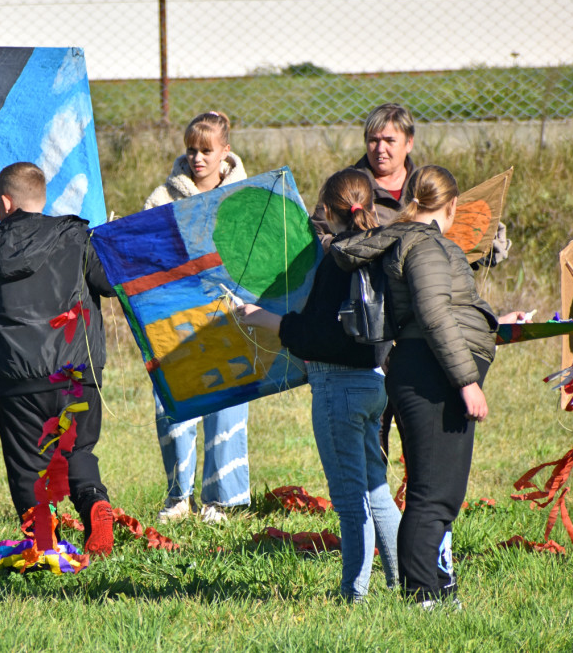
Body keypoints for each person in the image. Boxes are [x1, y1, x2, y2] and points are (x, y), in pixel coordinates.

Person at [330, 165, 526, 606]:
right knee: (434, 495)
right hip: (434, 374)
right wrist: (467, 382)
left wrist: (495, 322)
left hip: (428, 369)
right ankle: (422, 597)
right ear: (452, 205)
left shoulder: (412, 239)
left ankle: (440, 589)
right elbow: (435, 316)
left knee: (439, 492)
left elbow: (446, 313)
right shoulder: (427, 244)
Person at [234, 168, 400, 601]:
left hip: (338, 389)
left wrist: (263, 319)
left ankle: (354, 594)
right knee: (376, 491)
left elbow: (319, 336)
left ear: (326, 211)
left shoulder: (336, 262)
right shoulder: (377, 252)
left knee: (350, 500)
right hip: (373, 384)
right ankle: (405, 582)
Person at [0, 162, 116, 556]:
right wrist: (110, 241)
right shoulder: (77, 237)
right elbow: (109, 281)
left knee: (27, 465)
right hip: (77, 371)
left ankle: (43, 539)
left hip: (18, 378)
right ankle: (95, 506)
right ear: (42, 199)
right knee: (78, 452)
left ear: (5, 202)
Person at [144, 111, 251, 523]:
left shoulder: (248, 195)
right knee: (173, 403)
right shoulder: (162, 198)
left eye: (207, 150)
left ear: (226, 150)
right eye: (191, 150)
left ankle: (221, 499)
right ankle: (177, 497)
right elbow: (148, 254)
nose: (198, 158)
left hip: (230, 317)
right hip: (176, 318)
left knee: (226, 402)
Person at [310, 103, 417, 251]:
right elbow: (314, 237)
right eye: (374, 140)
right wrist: (351, 247)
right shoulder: (344, 186)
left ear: (409, 142)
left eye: (389, 141)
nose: (380, 149)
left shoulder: (425, 185)